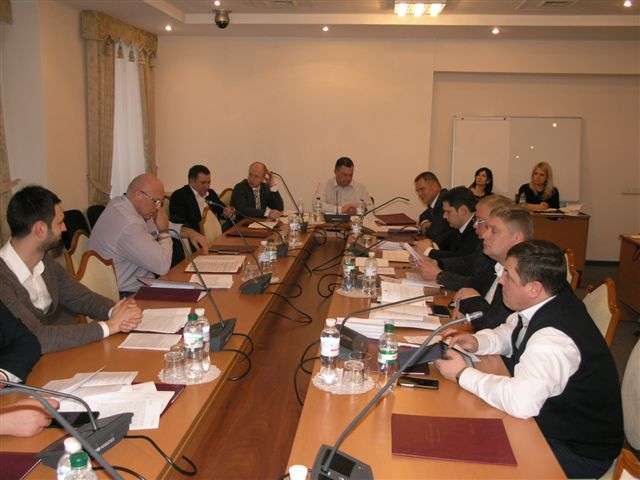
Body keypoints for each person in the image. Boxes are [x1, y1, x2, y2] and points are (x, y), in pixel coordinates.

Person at [435, 240, 623, 479]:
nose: (500, 280)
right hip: (548, 423)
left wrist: (462, 374)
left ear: (534, 288)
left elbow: (522, 402)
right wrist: (477, 341)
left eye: (508, 276)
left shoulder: (553, 339)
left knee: (460, 454)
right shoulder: (549, 300)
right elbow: (510, 330)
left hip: (575, 450)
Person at [0, 186, 142, 353]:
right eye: (60, 222)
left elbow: (81, 298)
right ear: (40, 229)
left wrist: (116, 310)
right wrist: (110, 326)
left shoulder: (45, 262)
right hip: (30, 363)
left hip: (62, 354)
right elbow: (36, 337)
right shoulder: (3, 280)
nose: (65, 228)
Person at [89, 173, 208, 295]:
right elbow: (162, 266)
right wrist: (164, 233)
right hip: (127, 293)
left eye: (160, 203)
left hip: (140, 283)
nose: (158, 208)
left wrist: (189, 232)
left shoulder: (123, 204)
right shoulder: (129, 224)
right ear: (139, 195)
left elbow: (160, 224)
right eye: (156, 202)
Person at [453, 205, 534, 332]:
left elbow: (498, 325)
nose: (484, 235)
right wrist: (466, 303)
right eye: (487, 228)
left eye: (494, 231)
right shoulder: (495, 265)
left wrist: (471, 301)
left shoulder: (525, 276)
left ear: (516, 238)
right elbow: (471, 292)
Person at [416, 195, 512, 291]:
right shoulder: (486, 244)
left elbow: (480, 286)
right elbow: (469, 262)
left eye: (480, 220)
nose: (474, 225)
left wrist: (439, 275)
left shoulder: (504, 255)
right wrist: (437, 263)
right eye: (475, 219)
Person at [170, 164, 235, 232]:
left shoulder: (210, 193)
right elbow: (180, 224)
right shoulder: (179, 196)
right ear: (192, 181)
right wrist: (202, 221)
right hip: (195, 235)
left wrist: (226, 213)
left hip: (216, 234)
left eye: (209, 182)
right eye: (203, 183)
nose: (207, 186)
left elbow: (221, 209)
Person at [421, 186, 479, 261]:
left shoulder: (477, 230)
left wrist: (429, 251)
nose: (444, 216)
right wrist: (430, 244)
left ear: (463, 211)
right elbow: (444, 243)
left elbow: (460, 258)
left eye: (448, 212)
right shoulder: (458, 227)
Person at [414, 171, 455, 249]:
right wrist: (424, 222)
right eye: (417, 191)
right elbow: (424, 215)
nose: (419, 194)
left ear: (434, 186)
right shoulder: (435, 201)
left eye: (422, 189)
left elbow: (434, 233)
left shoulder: (446, 200)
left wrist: (429, 228)